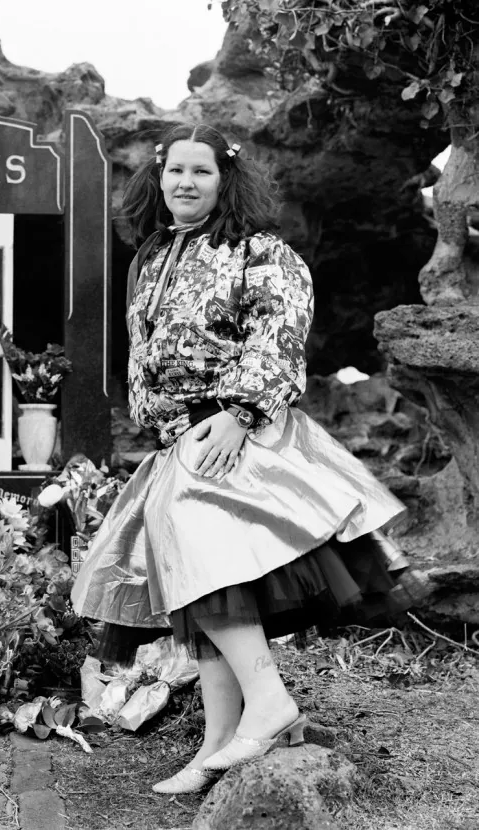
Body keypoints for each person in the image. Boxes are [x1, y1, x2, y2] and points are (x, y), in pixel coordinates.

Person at [70, 124, 413, 795]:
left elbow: (279, 333)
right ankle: (217, 745)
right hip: (181, 437)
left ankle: (271, 702)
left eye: (201, 171)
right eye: (175, 170)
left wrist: (239, 413)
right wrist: (162, 420)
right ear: (158, 177)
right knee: (202, 590)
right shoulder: (152, 257)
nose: (186, 182)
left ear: (225, 179)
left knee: (209, 580)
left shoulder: (260, 252)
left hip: (234, 431)